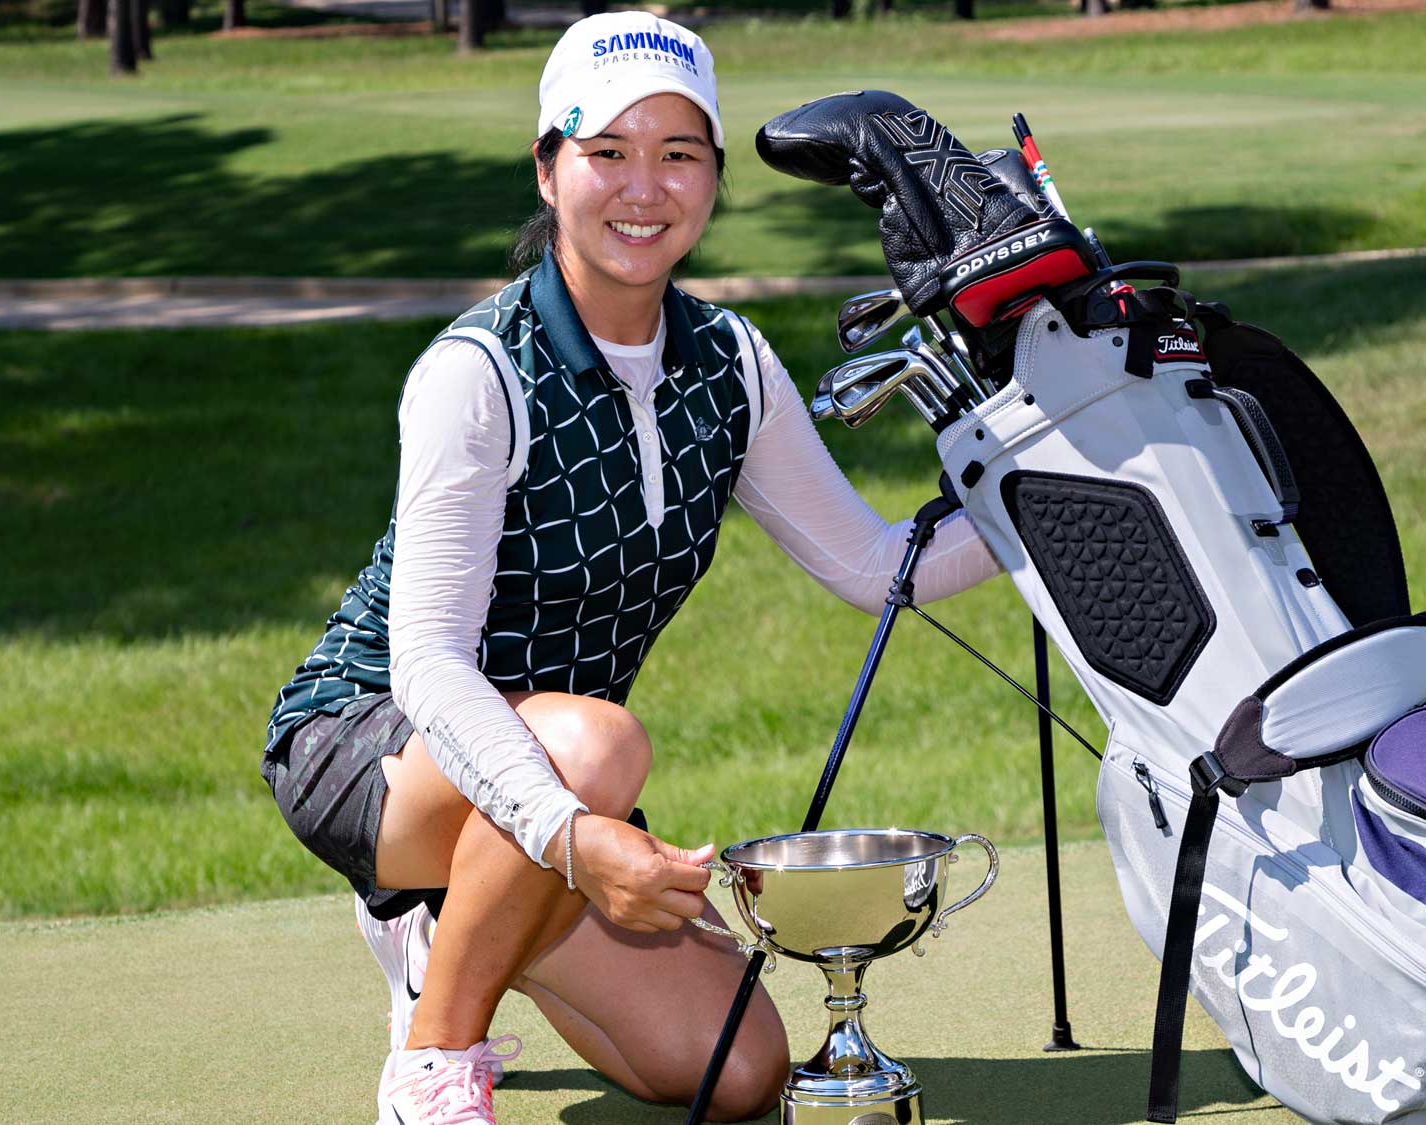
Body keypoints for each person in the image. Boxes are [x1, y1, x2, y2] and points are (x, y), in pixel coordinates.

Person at [257, 14, 1001, 1124]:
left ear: (709, 179)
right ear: (548, 167)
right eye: (606, 152)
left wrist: (1045, 498)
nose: (642, 187)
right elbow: (424, 662)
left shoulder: (730, 360)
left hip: (552, 788)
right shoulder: (476, 372)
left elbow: (871, 564)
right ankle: (430, 1059)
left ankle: (447, 918)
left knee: (737, 1076)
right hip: (372, 745)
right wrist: (575, 835)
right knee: (598, 742)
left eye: (678, 154)